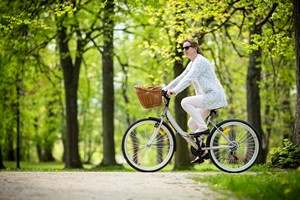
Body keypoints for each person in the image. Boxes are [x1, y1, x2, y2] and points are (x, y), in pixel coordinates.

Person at [163, 38, 227, 163]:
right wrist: (165, 89)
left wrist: (174, 91)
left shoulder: (200, 61)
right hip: (208, 97)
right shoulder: (192, 63)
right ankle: (203, 151)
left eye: (187, 47)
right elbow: (181, 77)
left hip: (213, 96)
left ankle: (203, 128)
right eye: (183, 48)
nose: (184, 50)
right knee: (192, 124)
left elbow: (189, 78)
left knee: (185, 102)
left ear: (195, 48)